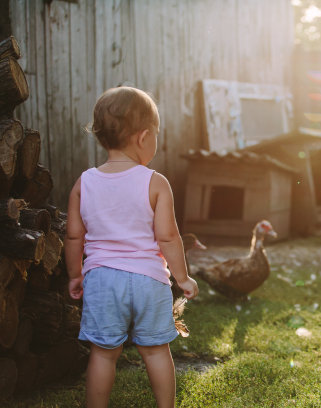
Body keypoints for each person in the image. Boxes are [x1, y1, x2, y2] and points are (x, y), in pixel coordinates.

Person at [65, 86, 199, 408]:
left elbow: (73, 237)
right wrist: (182, 278)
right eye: (155, 134)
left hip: (102, 279)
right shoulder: (155, 182)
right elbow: (168, 238)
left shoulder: (84, 183)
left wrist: (75, 275)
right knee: (155, 350)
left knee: (103, 354)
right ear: (143, 138)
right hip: (148, 280)